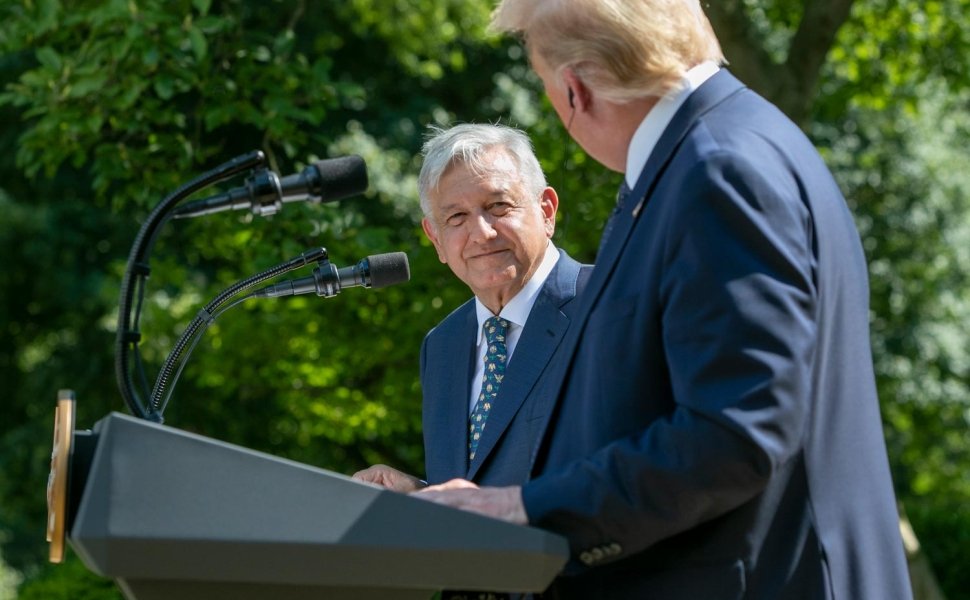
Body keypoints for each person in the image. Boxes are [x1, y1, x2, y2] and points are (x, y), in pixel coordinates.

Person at [414, 1, 913, 599]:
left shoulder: (716, 170)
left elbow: (734, 434)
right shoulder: (732, 144)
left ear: (575, 90)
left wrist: (524, 508)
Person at [354, 123, 591, 492]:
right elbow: (474, 491)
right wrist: (420, 495)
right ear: (436, 239)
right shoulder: (441, 346)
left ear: (546, 210)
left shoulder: (608, 301)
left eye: (498, 206)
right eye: (456, 218)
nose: (481, 233)